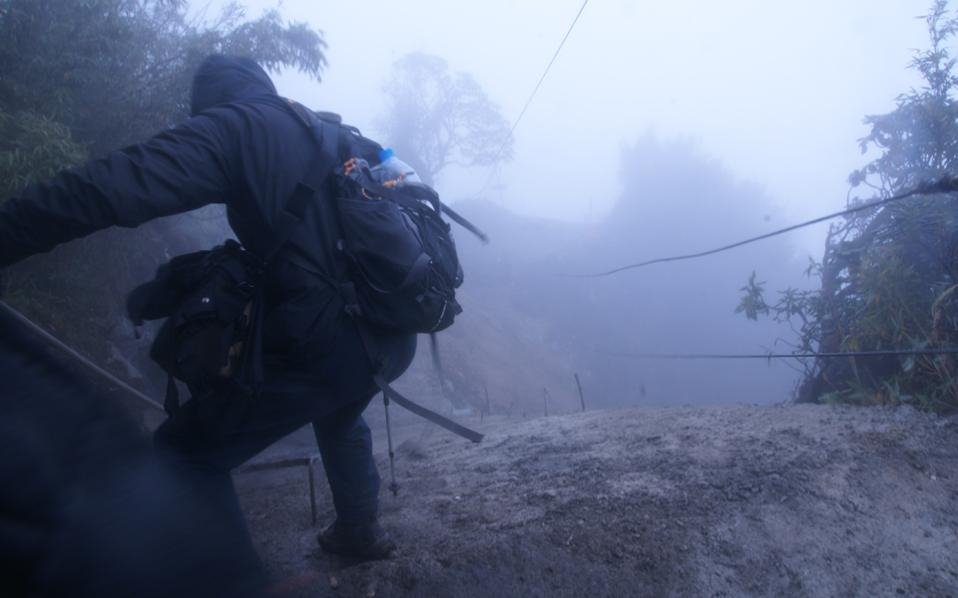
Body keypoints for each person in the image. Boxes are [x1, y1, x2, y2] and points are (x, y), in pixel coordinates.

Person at [0, 55, 415, 567]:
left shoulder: (235, 126)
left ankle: (227, 581)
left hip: (331, 338)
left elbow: (110, 186)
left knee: (186, 454)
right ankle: (358, 531)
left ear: (209, 102)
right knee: (337, 406)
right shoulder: (330, 131)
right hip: (393, 330)